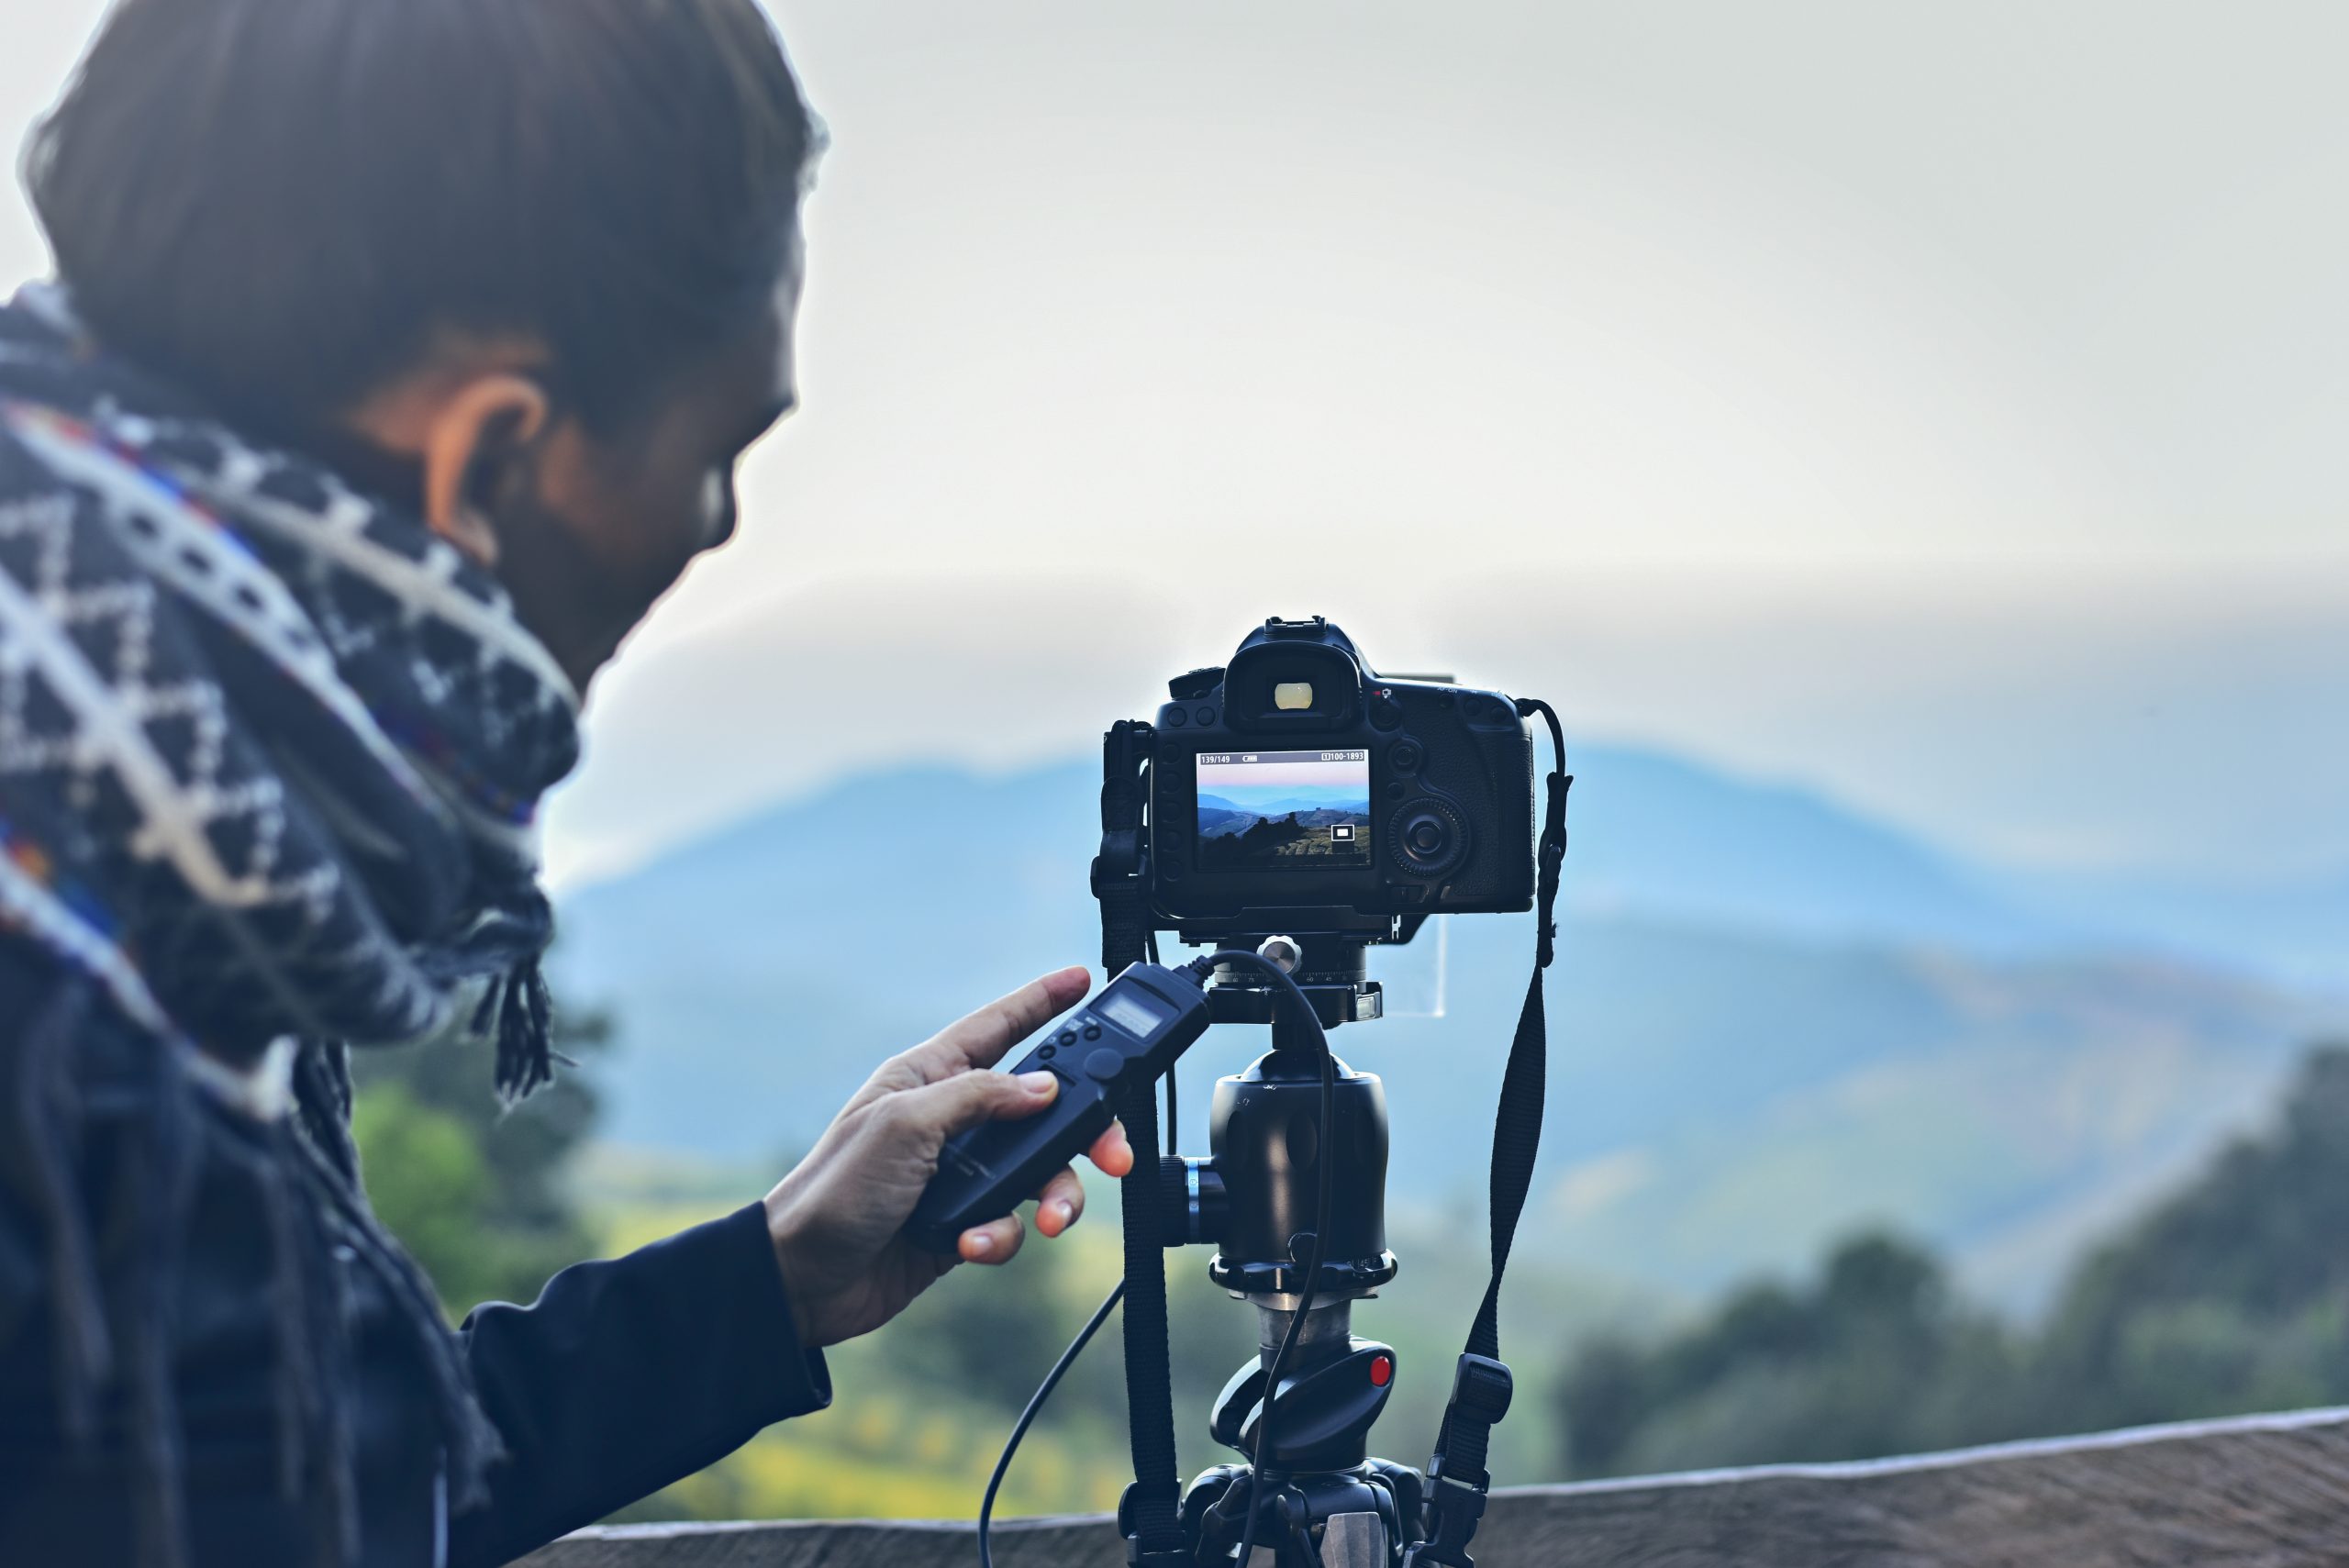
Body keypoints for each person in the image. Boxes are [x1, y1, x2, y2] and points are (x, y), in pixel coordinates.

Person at [0, 1, 1132, 1563]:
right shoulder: (78, 1039)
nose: (719, 526)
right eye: (715, 456)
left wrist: (771, 1283)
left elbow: (317, 1472)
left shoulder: (119, 817)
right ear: (489, 460)